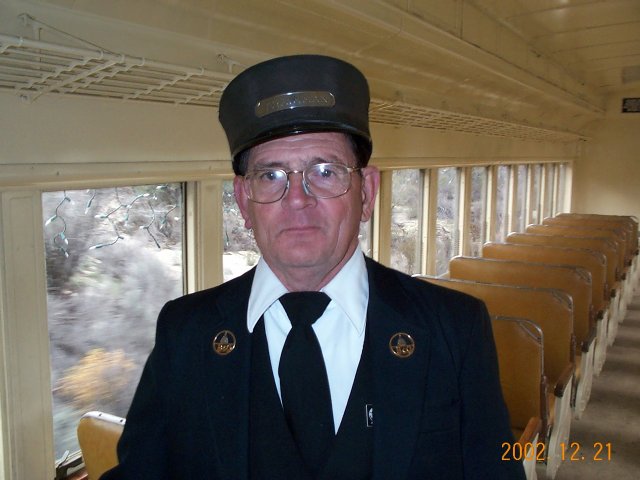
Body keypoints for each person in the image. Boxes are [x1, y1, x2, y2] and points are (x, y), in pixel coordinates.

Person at [101, 55, 525, 480]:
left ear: (367, 192)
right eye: (271, 176)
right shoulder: (185, 333)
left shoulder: (454, 329)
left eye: (325, 172)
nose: (298, 199)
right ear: (244, 201)